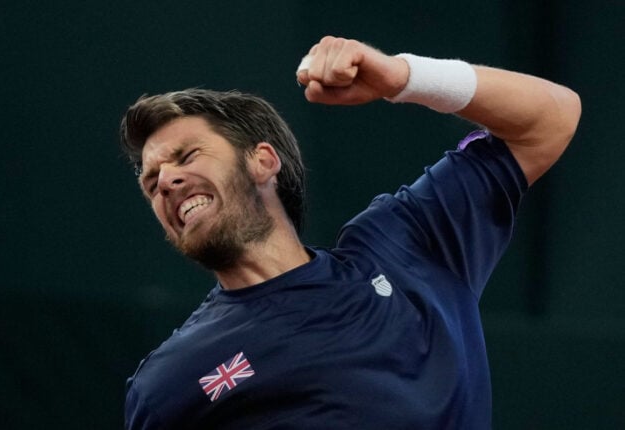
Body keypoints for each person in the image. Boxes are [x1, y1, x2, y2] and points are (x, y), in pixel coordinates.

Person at [121, 36, 581, 429]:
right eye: (150, 180)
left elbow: (551, 117)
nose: (164, 182)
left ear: (262, 160)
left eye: (187, 156)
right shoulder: (168, 384)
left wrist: (403, 77)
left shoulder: (404, 245)